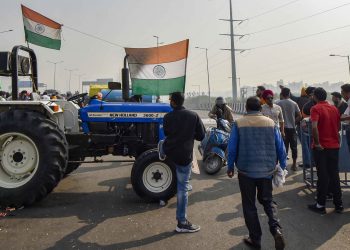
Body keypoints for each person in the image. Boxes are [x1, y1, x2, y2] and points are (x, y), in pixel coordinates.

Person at [227, 96, 286, 250]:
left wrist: (230, 166)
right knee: (268, 200)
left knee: (249, 205)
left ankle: (256, 239)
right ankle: (276, 228)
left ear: (246, 108)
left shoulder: (239, 123)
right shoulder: (271, 123)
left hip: (246, 172)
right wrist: (283, 166)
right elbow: (281, 147)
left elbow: (232, 148)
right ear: (260, 108)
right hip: (267, 171)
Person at [162, 92, 205, 233]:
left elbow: (167, 133)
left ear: (173, 102)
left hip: (170, 153)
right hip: (185, 155)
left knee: (170, 178)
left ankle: (162, 198)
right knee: (182, 187)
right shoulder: (193, 116)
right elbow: (201, 135)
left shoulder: (167, 117)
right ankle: (181, 222)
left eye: (170, 100)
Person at [308, 88, 343, 214]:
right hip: (334, 146)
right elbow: (338, 126)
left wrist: (317, 143)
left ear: (315, 97)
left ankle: (320, 205)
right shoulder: (334, 109)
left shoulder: (315, 108)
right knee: (334, 175)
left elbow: (314, 127)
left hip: (321, 148)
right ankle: (338, 205)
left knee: (322, 176)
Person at [277, 88, 302, 171]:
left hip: (282, 129)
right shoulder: (294, 103)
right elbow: (300, 116)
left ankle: (284, 166)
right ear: (289, 94)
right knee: (294, 147)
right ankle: (294, 164)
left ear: (281, 94)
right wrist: (294, 122)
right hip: (292, 128)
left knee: (284, 147)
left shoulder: (278, 103)